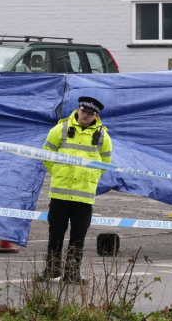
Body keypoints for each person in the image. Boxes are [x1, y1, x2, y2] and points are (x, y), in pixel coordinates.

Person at [37, 96, 112, 283]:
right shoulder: (60, 129)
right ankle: (51, 270)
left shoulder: (103, 137)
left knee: (78, 236)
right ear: (78, 109)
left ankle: (72, 273)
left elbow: (105, 164)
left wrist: (89, 178)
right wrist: (58, 172)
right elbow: (47, 156)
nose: (86, 115)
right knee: (55, 234)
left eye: (91, 113)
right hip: (60, 193)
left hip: (84, 197)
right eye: (84, 110)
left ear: (97, 116)